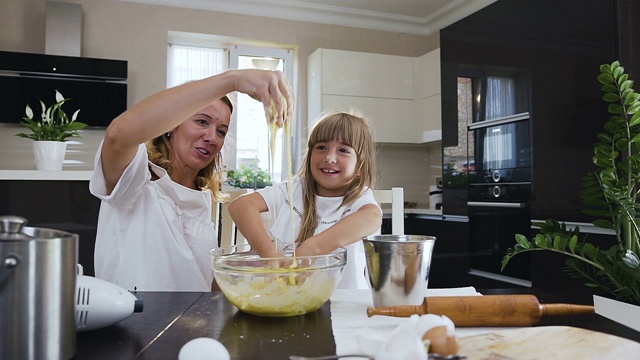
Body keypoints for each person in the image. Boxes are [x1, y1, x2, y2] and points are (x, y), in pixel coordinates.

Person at [89, 69, 293, 291]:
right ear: (171, 126)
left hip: (188, 324)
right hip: (137, 324)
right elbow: (118, 136)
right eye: (202, 121)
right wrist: (234, 80)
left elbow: (200, 283)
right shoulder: (135, 181)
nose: (212, 137)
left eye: (221, 131)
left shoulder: (202, 199)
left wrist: (240, 268)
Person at [228, 110, 382, 289]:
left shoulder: (359, 197)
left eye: (343, 150)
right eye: (321, 147)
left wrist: (311, 249)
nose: (329, 158)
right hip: (289, 296)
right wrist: (269, 253)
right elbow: (241, 206)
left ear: (360, 164)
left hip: (344, 305)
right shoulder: (294, 190)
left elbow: (372, 217)